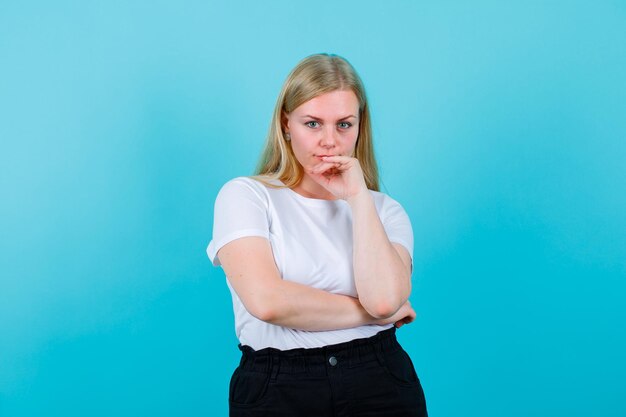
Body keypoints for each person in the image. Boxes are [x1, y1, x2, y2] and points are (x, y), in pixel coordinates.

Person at [207, 53, 428, 416]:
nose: (329, 141)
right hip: (278, 384)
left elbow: (386, 301)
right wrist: (371, 315)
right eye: (313, 123)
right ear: (286, 124)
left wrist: (358, 198)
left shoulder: (385, 211)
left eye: (344, 125)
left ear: (360, 127)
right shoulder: (246, 196)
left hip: (378, 378)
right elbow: (267, 302)